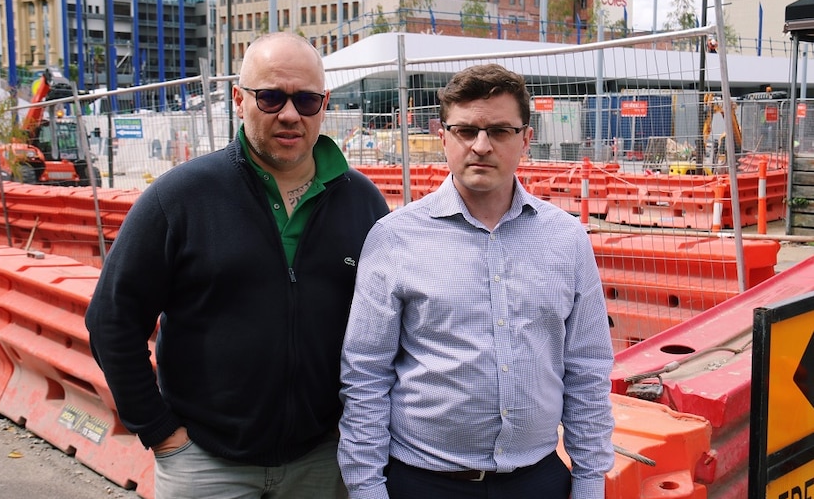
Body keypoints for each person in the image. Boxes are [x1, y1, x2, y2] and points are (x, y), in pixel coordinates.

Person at [86, 32, 389, 499]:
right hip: (206, 465)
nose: (290, 114)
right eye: (270, 98)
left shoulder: (362, 202)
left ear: (324, 104)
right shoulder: (181, 197)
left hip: (323, 460)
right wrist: (162, 433)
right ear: (238, 98)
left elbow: (387, 329)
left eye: (306, 100)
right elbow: (112, 318)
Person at [338, 63, 615, 499]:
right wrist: (367, 488)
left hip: (537, 480)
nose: (481, 146)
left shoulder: (566, 239)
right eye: (466, 130)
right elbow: (366, 375)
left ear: (526, 138)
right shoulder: (395, 239)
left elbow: (587, 371)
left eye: (500, 131)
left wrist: (589, 482)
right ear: (444, 136)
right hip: (423, 481)